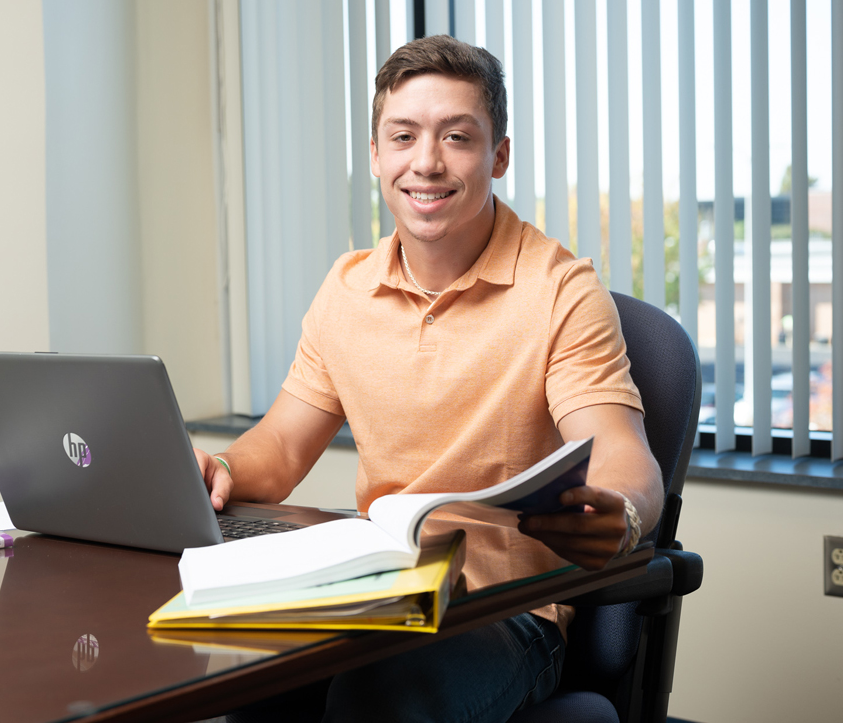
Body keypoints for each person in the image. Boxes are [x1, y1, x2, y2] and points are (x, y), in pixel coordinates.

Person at [194, 35, 663, 723]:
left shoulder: (561, 290)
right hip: (371, 594)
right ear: (377, 155)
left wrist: (618, 513)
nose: (427, 162)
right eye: (404, 136)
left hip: (501, 615)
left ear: (499, 155)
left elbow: (624, 455)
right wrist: (218, 468)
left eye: (458, 137)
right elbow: (281, 449)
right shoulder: (346, 287)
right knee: (232, 685)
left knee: (376, 697)